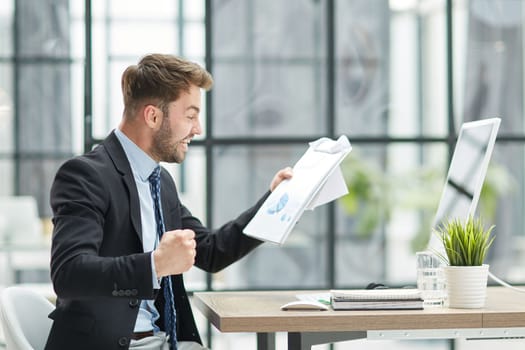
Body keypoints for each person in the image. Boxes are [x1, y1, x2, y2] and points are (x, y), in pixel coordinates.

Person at [45, 53, 293, 350]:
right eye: (190, 115)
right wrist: (155, 264)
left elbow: (212, 251)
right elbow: (70, 273)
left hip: (163, 342)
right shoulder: (85, 175)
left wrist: (276, 204)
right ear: (152, 116)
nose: (198, 129)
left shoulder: (160, 182)